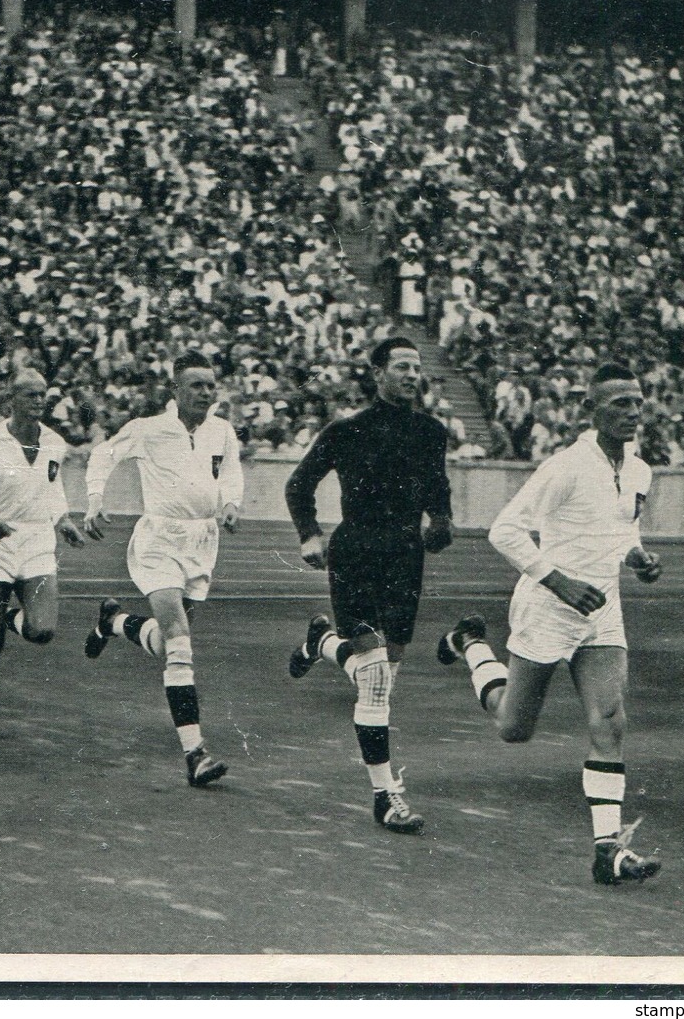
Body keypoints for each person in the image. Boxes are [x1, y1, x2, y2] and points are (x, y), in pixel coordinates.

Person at [440, 364, 664, 886]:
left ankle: (608, 849)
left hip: (602, 610)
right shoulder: (565, 467)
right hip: (548, 607)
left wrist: (637, 557)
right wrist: (558, 582)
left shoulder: (639, 470)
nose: (632, 412)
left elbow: (621, 531)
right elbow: (505, 531)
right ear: (591, 411)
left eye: (637, 402)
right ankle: (472, 645)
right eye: (619, 404)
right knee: (513, 729)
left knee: (609, 722)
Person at [284, 336, 477, 835]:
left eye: (417, 368)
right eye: (402, 367)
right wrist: (309, 535)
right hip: (356, 555)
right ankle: (386, 795)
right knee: (374, 681)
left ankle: (322, 643)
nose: (413, 375)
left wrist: (442, 519)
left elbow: (437, 484)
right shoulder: (347, 430)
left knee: (382, 678)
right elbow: (299, 484)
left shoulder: (431, 431)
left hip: (405, 560)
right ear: (378, 373)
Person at [81, 351, 244, 788]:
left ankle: (114, 623)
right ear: (176, 390)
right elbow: (103, 455)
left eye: (211, 385)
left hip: (203, 542)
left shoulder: (222, 431)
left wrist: (230, 503)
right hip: (160, 541)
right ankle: (195, 753)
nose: (206, 393)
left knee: (170, 643)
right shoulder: (149, 429)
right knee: (179, 642)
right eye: (196, 385)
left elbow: (230, 473)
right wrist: (96, 499)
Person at [0, 369, 86, 738]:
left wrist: (63, 519)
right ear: (12, 401)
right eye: (30, 395)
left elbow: (52, 489)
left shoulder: (55, 442)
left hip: (38, 542)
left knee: (42, 631)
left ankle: (10, 616)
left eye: (43, 395)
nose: (39, 401)